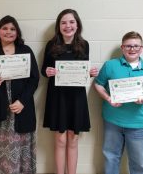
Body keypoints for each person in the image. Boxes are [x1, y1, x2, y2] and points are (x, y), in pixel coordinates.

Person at [0, 15, 39, 174]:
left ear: (17, 32)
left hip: (21, 107)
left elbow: (34, 78)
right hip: (0, 107)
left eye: (12, 29)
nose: (8, 32)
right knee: (4, 147)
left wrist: (22, 101)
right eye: (4, 28)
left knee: (22, 144)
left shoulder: (26, 50)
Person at [94, 31, 143, 174]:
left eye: (136, 46)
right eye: (128, 46)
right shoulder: (110, 65)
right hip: (112, 122)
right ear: (122, 47)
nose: (132, 49)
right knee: (111, 158)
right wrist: (108, 98)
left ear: (141, 48)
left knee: (138, 163)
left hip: (139, 124)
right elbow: (98, 84)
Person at [41, 9, 98, 174]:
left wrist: (90, 73)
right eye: (64, 22)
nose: (68, 26)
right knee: (59, 140)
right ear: (59, 26)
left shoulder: (84, 44)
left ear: (77, 24)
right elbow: (44, 69)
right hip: (57, 97)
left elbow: (83, 71)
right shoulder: (51, 45)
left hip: (76, 97)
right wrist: (48, 71)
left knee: (73, 139)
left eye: (71, 22)